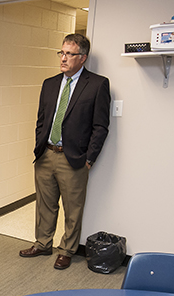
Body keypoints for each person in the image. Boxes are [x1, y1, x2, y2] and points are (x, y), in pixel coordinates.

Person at [19, 33, 111, 270]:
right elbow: (41, 120)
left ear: (83, 58)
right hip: (46, 154)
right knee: (45, 204)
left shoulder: (98, 84)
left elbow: (100, 127)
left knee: (73, 208)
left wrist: (89, 159)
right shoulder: (49, 84)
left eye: (70, 54)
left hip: (74, 159)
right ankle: (42, 243)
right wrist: (39, 146)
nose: (63, 58)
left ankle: (67, 250)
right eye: (62, 52)